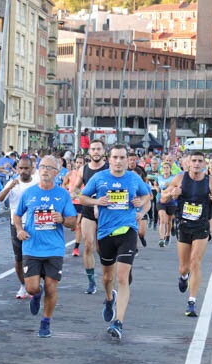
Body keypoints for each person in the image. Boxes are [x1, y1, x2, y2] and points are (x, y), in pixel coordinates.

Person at [79, 145, 153, 340]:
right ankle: (109, 299)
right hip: (105, 233)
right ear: (109, 159)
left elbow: (148, 196)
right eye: (115, 157)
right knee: (106, 278)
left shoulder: (133, 178)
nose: (119, 161)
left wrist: (141, 209)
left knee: (122, 277)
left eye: (122, 157)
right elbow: (82, 197)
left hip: (128, 230)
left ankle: (118, 322)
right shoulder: (99, 178)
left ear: (127, 160)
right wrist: (97, 202)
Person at [12, 156, 78, 337]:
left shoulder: (62, 194)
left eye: (49, 167)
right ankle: (36, 294)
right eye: (42, 167)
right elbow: (17, 215)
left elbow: (73, 222)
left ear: (57, 173)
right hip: (32, 247)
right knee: (32, 287)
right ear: (37, 170)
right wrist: (19, 230)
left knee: (51, 287)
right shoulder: (29, 193)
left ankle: (46, 322)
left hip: (54, 248)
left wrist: (63, 219)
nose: (45, 170)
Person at [160, 151, 212, 317]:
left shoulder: (210, 181)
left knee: (195, 262)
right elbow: (163, 198)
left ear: (204, 164)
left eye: (200, 161)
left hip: (201, 226)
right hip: (184, 226)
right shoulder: (180, 179)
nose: (196, 164)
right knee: (184, 266)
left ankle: (191, 302)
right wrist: (172, 194)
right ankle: (183, 276)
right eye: (193, 160)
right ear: (188, 163)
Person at [68, 140, 108, 294]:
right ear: (89, 152)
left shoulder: (109, 169)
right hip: (88, 211)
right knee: (88, 245)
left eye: (99, 149)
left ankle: (107, 277)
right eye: (93, 149)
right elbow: (75, 190)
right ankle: (91, 282)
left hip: (106, 213)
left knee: (102, 248)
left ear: (103, 151)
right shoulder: (83, 170)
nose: (96, 152)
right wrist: (86, 198)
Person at [0, 156, 37, 299]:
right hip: (16, 224)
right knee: (19, 258)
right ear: (17, 169)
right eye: (20, 168)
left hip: (34, 225)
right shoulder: (12, 183)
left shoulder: (37, 183)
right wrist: (9, 188)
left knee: (33, 257)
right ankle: (23, 285)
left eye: (26, 168)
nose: (23, 171)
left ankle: (34, 284)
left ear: (32, 169)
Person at [65, 155, 85, 257]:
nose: (78, 164)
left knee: (78, 226)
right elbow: (64, 185)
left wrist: (77, 193)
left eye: (80, 163)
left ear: (84, 164)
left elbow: (88, 189)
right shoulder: (70, 174)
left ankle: (76, 248)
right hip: (71, 203)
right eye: (77, 162)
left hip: (81, 203)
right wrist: (68, 193)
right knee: (71, 223)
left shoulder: (86, 175)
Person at [155, 161, 177, 247]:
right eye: (164, 168)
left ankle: (168, 235)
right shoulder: (159, 177)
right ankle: (161, 239)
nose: (165, 169)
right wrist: (157, 189)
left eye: (167, 168)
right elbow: (156, 184)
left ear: (170, 169)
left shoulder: (174, 178)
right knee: (162, 220)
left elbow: (177, 187)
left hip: (171, 201)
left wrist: (170, 186)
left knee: (169, 221)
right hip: (160, 200)